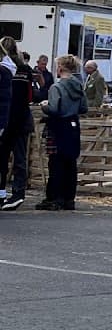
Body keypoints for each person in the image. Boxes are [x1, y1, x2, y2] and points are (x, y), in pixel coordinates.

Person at [36, 55, 88, 210]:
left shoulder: (56, 87)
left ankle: (54, 198)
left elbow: (54, 109)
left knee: (56, 163)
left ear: (60, 68)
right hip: (73, 125)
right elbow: (84, 108)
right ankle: (69, 199)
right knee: (70, 163)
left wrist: (44, 105)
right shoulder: (79, 86)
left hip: (58, 125)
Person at [0, 37, 33, 210]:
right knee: (20, 158)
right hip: (22, 118)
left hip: (7, 119)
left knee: (3, 159)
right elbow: (30, 96)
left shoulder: (5, 69)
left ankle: (2, 193)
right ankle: (18, 192)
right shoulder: (25, 69)